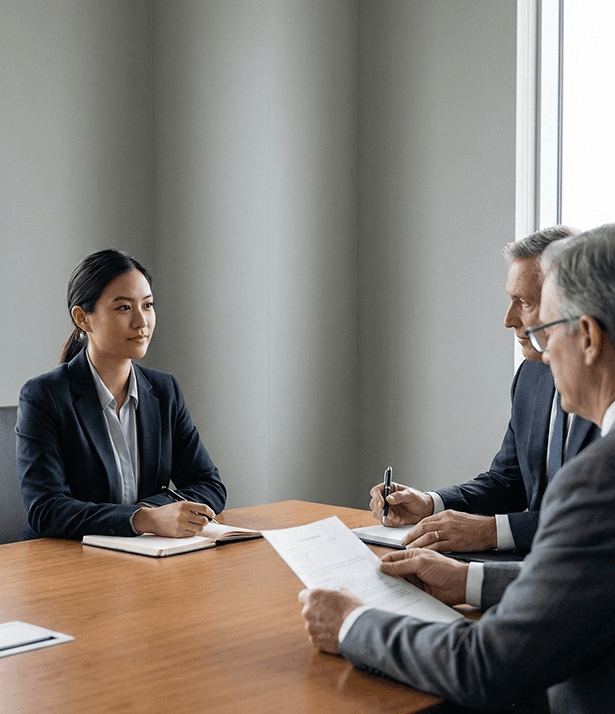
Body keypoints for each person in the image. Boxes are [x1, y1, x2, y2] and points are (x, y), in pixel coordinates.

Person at [300, 224, 615, 713]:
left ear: (589, 337)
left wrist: (351, 625)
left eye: (545, 328)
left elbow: (488, 667)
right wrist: (468, 580)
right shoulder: (536, 386)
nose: (539, 346)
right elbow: (594, 579)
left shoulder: (601, 479)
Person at [369, 226, 600, 555]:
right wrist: (430, 503)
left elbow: (597, 521)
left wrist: (494, 531)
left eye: (524, 303)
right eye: (510, 300)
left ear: (563, 304)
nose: (508, 320)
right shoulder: (531, 375)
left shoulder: (605, 389)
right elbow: (509, 481)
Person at [17, 249, 226, 540]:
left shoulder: (164, 391)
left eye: (148, 305)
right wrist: (143, 520)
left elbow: (208, 484)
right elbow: (46, 509)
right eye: (124, 308)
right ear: (83, 319)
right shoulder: (44, 396)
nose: (142, 322)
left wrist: (150, 512)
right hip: (63, 561)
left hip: (143, 557)